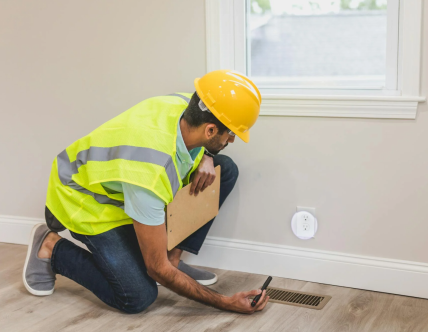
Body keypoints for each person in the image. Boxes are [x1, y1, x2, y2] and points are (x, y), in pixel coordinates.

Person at [22, 70, 269, 314]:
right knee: (138, 295)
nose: (233, 140)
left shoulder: (188, 104)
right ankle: (51, 247)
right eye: (232, 134)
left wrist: (207, 155)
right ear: (211, 131)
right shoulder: (150, 172)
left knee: (223, 169)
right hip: (85, 199)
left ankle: (174, 260)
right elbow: (156, 269)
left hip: (126, 187)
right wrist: (226, 302)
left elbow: (208, 137)